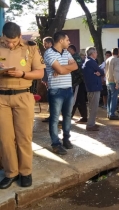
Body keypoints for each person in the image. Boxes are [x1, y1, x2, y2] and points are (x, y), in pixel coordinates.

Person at [0, 22, 45, 189]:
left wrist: (23, 74)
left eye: (13, 41)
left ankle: (26, 172)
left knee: (24, 137)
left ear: (19, 36)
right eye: (6, 41)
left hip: (23, 95)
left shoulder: (30, 48)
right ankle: (11, 173)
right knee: (5, 139)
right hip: (1, 98)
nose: (9, 44)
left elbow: (39, 72)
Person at [44, 31, 78, 156]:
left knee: (68, 116)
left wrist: (62, 69)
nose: (69, 42)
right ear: (61, 41)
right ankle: (55, 144)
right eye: (67, 40)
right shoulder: (49, 53)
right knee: (54, 118)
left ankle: (66, 139)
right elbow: (61, 69)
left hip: (68, 89)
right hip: (56, 90)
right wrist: (62, 69)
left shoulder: (67, 52)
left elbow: (75, 66)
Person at [82, 46, 104, 131]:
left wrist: (98, 72)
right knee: (93, 107)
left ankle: (91, 123)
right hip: (94, 87)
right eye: (96, 52)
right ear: (92, 53)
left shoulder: (86, 61)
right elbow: (101, 71)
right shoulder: (91, 62)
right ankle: (90, 125)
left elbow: (99, 72)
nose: (97, 54)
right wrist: (99, 72)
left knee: (91, 106)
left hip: (91, 87)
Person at [67, 44, 88, 123]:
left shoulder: (76, 58)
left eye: (68, 50)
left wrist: (81, 80)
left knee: (75, 100)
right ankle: (84, 117)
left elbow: (79, 70)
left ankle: (69, 117)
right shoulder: (72, 57)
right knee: (79, 100)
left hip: (77, 82)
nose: (67, 51)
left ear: (72, 50)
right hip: (75, 82)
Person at [105, 48, 119, 120]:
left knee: (109, 98)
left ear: (112, 52)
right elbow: (116, 72)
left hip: (108, 81)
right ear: (118, 53)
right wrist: (117, 83)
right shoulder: (116, 60)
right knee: (114, 98)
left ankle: (108, 113)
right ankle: (112, 114)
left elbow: (105, 71)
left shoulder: (108, 59)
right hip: (113, 82)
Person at [41, 36, 54, 122]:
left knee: (52, 98)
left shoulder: (51, 53)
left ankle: (53, 117)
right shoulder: (49, 52)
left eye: (45, 43)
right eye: (44, 43)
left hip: (52, 80)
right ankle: (51, 116)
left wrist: (45, 79)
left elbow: (47, 67)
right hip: (49, 79)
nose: (44, 45)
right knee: (50, 98)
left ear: (50, 43)